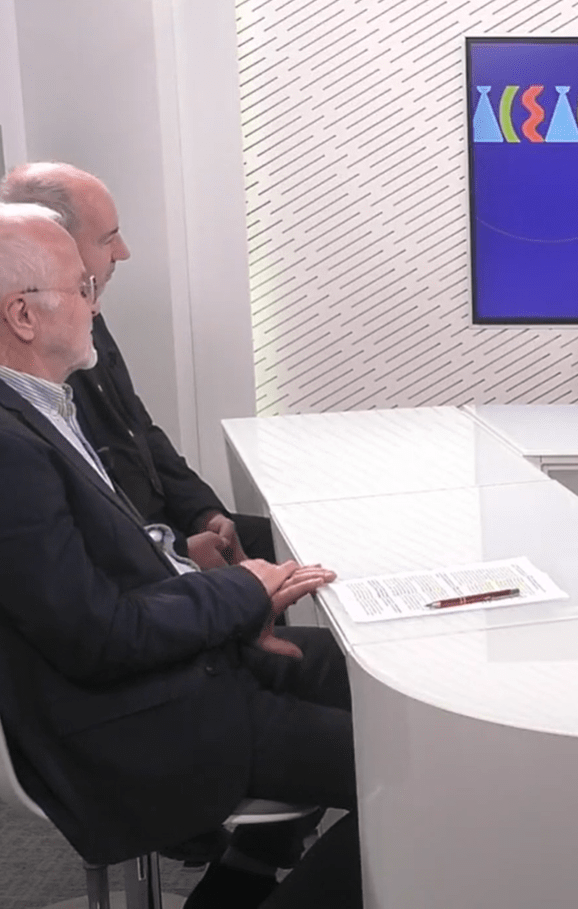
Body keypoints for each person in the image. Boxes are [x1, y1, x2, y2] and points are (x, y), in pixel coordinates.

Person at [0, 204, 359, 907]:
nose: (95, 304)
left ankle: (239, 884)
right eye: (83, 288)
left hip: (159, 676)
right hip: (133, 723)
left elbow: (112, 582)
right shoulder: (11, 448)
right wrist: (243, 590)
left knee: (350, 672)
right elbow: (96, 634)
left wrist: (238, 603)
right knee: (418, 769)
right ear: (23, 315)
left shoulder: (44, 410)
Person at [0, 162, 271, 569]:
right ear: (54, 240)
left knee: (291, 541)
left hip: (160, 533)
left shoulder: (87, 321)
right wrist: (178, 555)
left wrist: (203, 511)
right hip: (140, 554)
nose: (123, 252)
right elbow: (91, 527)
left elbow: (139, 430)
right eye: (107, 238)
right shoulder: (40, 366)